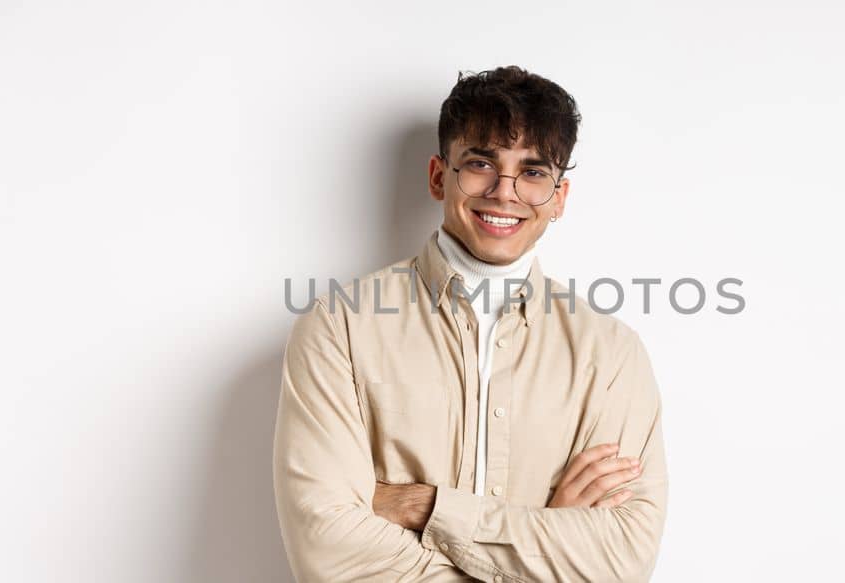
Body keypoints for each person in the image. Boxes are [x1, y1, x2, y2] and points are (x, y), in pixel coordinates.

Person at [272, 65, 668, 582]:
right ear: (439, 176)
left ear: (559, 197)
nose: (505, 193)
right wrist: (547, 532)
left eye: (532, 172)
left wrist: (428, 508)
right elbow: (327, 552)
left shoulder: (612, 354)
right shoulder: (340, 328)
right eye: (481, 164)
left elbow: (622, 560)